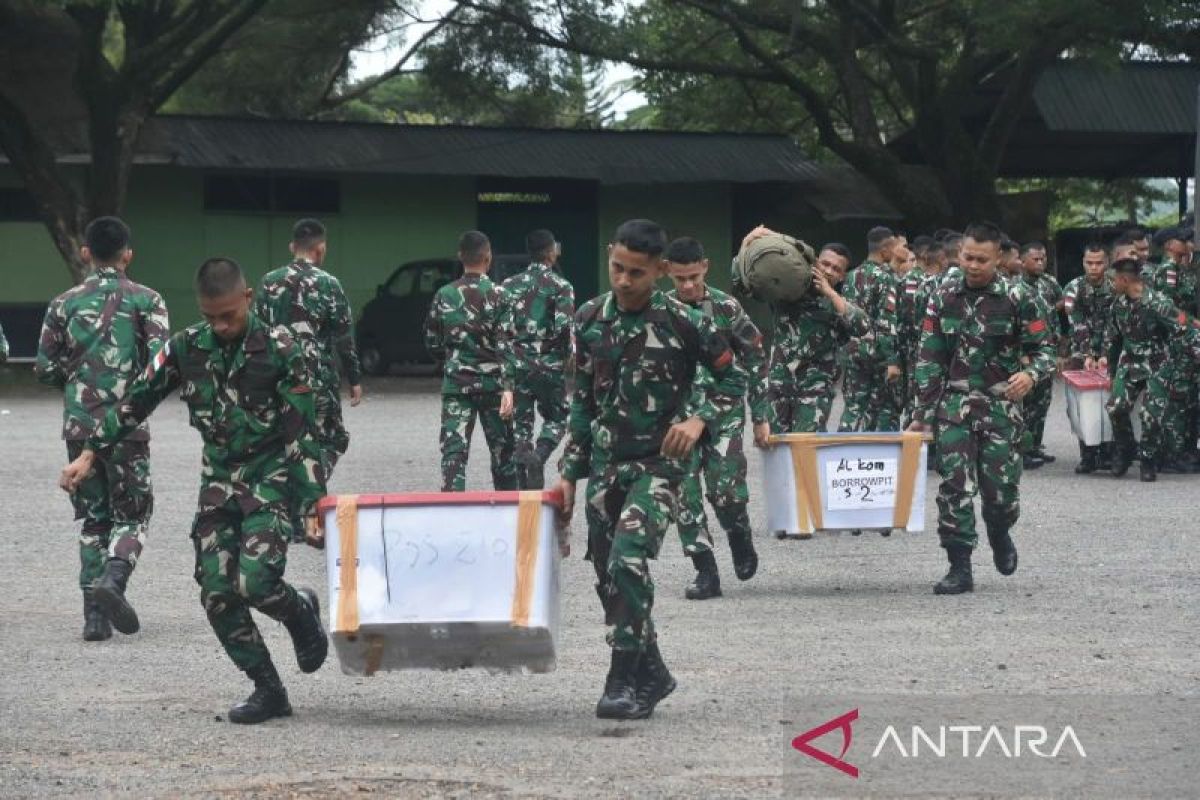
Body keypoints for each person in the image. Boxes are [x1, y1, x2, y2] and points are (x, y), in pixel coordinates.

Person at [59, 257, 328, 724]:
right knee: (217, 594)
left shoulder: (282, 347)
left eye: (229, 315)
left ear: (247, 298)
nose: (220, 326)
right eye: (210, 317)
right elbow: (135, 399)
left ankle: (300, 610)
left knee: (258, 582)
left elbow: (301, 431)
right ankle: (269, 690)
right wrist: (89, 453)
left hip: (269, 480)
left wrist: (312, 506)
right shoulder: (186, 347)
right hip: (218, 487)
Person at [556, 219, 745, 720]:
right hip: (604, 463)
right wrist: (568, 477)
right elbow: (582, 405)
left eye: (636, 273)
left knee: (628, 562)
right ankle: (654, 671)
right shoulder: (588, 319)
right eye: (616, 267)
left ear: (659, 271)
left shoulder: (688, 323)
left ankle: (620, 680)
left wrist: (700, 419)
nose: (623, 280)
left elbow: (736, 380)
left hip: (660, 466)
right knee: (608, 579)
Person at [36, 216, 169, 641]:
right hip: (127, 425)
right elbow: (162, 364)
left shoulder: (63, 304)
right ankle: (114, 581)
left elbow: (44, 368)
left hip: (79, 424)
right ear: (128, 254)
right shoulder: (149, 301)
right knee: (132, 514)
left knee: (94, 518)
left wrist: (78, 385)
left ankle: (94, 616)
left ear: (86, 252)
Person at [908, 222, 1056, 595]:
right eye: (968, 257)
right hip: (954, 405)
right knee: (954, 487)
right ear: (959, 254)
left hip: (1000, 407)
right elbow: (929, 356)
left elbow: (1045, 349)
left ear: (998, 259)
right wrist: (921, 415)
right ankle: (960, 567)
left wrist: (1030, 374)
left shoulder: (1018, 296)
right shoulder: (941, 294)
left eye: (982, 260)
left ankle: (999, 530)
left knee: (1001, 493)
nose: (973, 265)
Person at [663, 236, 765, 600]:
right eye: (679, 279)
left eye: (693, 276)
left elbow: (754, 360)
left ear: (705, 266)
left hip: (724, 414)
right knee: (684, 498)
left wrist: (761, 417)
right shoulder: (661, 313)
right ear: (667, 274)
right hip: (678, 421)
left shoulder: (727, 308)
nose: (688, 285)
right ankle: (705, 571)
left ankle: (739, 534)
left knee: (726, 492)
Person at [256, 218, 362, 539]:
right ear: (321, 249)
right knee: (330, 439)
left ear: (292, 248)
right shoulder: (329, 284)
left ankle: (290, 513)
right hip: (316, 378)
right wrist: (354, 378)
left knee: (285, 442)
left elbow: (256, 333)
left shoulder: (268, 282)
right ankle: (308, 512)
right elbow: (344, 336)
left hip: (276, 377)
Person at [424, 231, 517, 491]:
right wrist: (508, 387)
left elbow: (432, 342)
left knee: (454, 453)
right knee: (503, 454)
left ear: (460, 257)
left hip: (457, 385)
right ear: (488, 257)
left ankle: (453, 512)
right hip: (494, 387)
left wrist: (452, 359)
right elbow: (507, 345)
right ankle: (508, 513)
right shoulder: (501, 295)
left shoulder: (444, 294)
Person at [1104, 257, 1199, 482]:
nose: (1111, 284)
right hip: (1129, 363)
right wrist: (1111, 371)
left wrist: (1188, 361)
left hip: (1157, 364)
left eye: (1113, 280)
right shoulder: (1118, 304)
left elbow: (1184, 331)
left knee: (1150, 415)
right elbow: (1114, 340)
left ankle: (1148, 458)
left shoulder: (1159, 304)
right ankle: (1125, 450)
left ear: (1124, 279)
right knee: (1115, 408)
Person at [764, 241, 868, 435]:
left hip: (814, 389)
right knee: (774, 446)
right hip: (780, 382)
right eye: (825, 264)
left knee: (805, 449)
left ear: (842, 276)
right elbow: (747, 280)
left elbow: (862, 326)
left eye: (836, 269)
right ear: (815, 263)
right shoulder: (788, 292)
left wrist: (829, 293)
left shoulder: (838, 304)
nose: (828, 271)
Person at [500, 228, 575, 489]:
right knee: (558, 417)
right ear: (551, 252)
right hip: (548, 364)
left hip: (517, 364)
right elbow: (565, 327)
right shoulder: (561, 286)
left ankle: (525, 483)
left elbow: (502, 331)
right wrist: (567, 358)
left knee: (521, 425)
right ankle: (539, 457)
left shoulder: (508, 286)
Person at [1147, 227, 1200, 472]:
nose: (1187, 245)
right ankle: (1171, 454)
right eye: (1182, 241)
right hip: (1175, 343)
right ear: (1170, 245)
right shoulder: (1169, 269)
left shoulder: (1180, 268)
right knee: (1176, 399)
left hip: (1181, 341)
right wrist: (1193, 323)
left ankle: (1179, 451)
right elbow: (1168, 308)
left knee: (1184, 398)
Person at [840, 226, 901, 431]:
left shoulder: (851, 276)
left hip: (852, 349)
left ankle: (843, 451)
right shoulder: (885, 278)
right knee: (878, 407)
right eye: (893, 248)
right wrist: (891, 360)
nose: (894, 253)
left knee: (853, 406)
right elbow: (886, 321)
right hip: (876, 354)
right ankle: (869, 453)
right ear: (884, 250)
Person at [1061, 243, 1115, 473]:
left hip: (1110, 351)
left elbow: (1115, 323)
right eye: (1089, 263)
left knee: (1109, 402)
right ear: (1083, 262)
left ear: (1107, 262)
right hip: (1079, 351)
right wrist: (1087, 355)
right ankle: (1088, 455)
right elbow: (1076, 323)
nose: (1093, 268)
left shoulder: (1114, 287)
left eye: (1099, 263)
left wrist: (1105, 354)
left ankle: (1108, 453)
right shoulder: (1073, 288)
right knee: (1082, 404)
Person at [1020, 241, 1064, 468]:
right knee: (1026, 404)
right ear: (1022, 261)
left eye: (1043, 258)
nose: (1040, 263)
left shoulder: (1048, 282)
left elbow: (1059, 306)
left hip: (1046, 349)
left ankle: (1036, 445)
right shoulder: (1016, 286)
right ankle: (1023, 449)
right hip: (1028, 352)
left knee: (1043, 402)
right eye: (1035, 259)